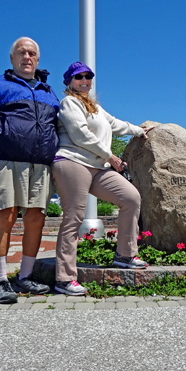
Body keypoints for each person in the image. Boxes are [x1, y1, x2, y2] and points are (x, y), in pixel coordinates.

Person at [51, 62, 155, 296]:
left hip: (97, 166)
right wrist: (111, 156)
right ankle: (64, 279)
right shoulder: (69, 103)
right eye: (79, 77)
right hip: (72, 162)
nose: (84, 80)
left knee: (130, 198)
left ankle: (125, 255)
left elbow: (116, 124)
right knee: (73, 218)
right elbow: (80, 135)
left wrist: (139, 130)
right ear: (70, 81)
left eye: (88, 76)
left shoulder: (95, 107)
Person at [0, 37, 59, 304]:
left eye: (32, 53)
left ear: (38, 59)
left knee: (36, 218)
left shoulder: (49, 92)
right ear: (12, 58)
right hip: (6, 161)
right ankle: (0, 281)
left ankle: (26, 277)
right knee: (5, 217)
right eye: (21, 53)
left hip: (41, 165)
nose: (27, 57)